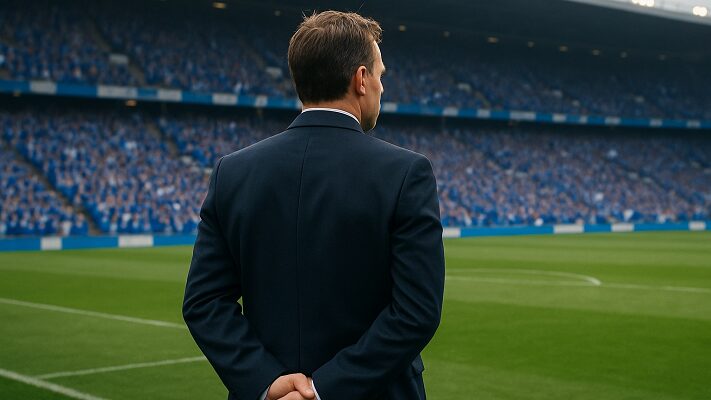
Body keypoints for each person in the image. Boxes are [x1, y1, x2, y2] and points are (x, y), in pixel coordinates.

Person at [183, 10, 445, 400]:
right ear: (361, 79)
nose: (381, 87)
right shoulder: (406, 173)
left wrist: (266, 381)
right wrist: (321, 389)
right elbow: (416, 312)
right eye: (380, 75)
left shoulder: (232, 173)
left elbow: (203, 302)